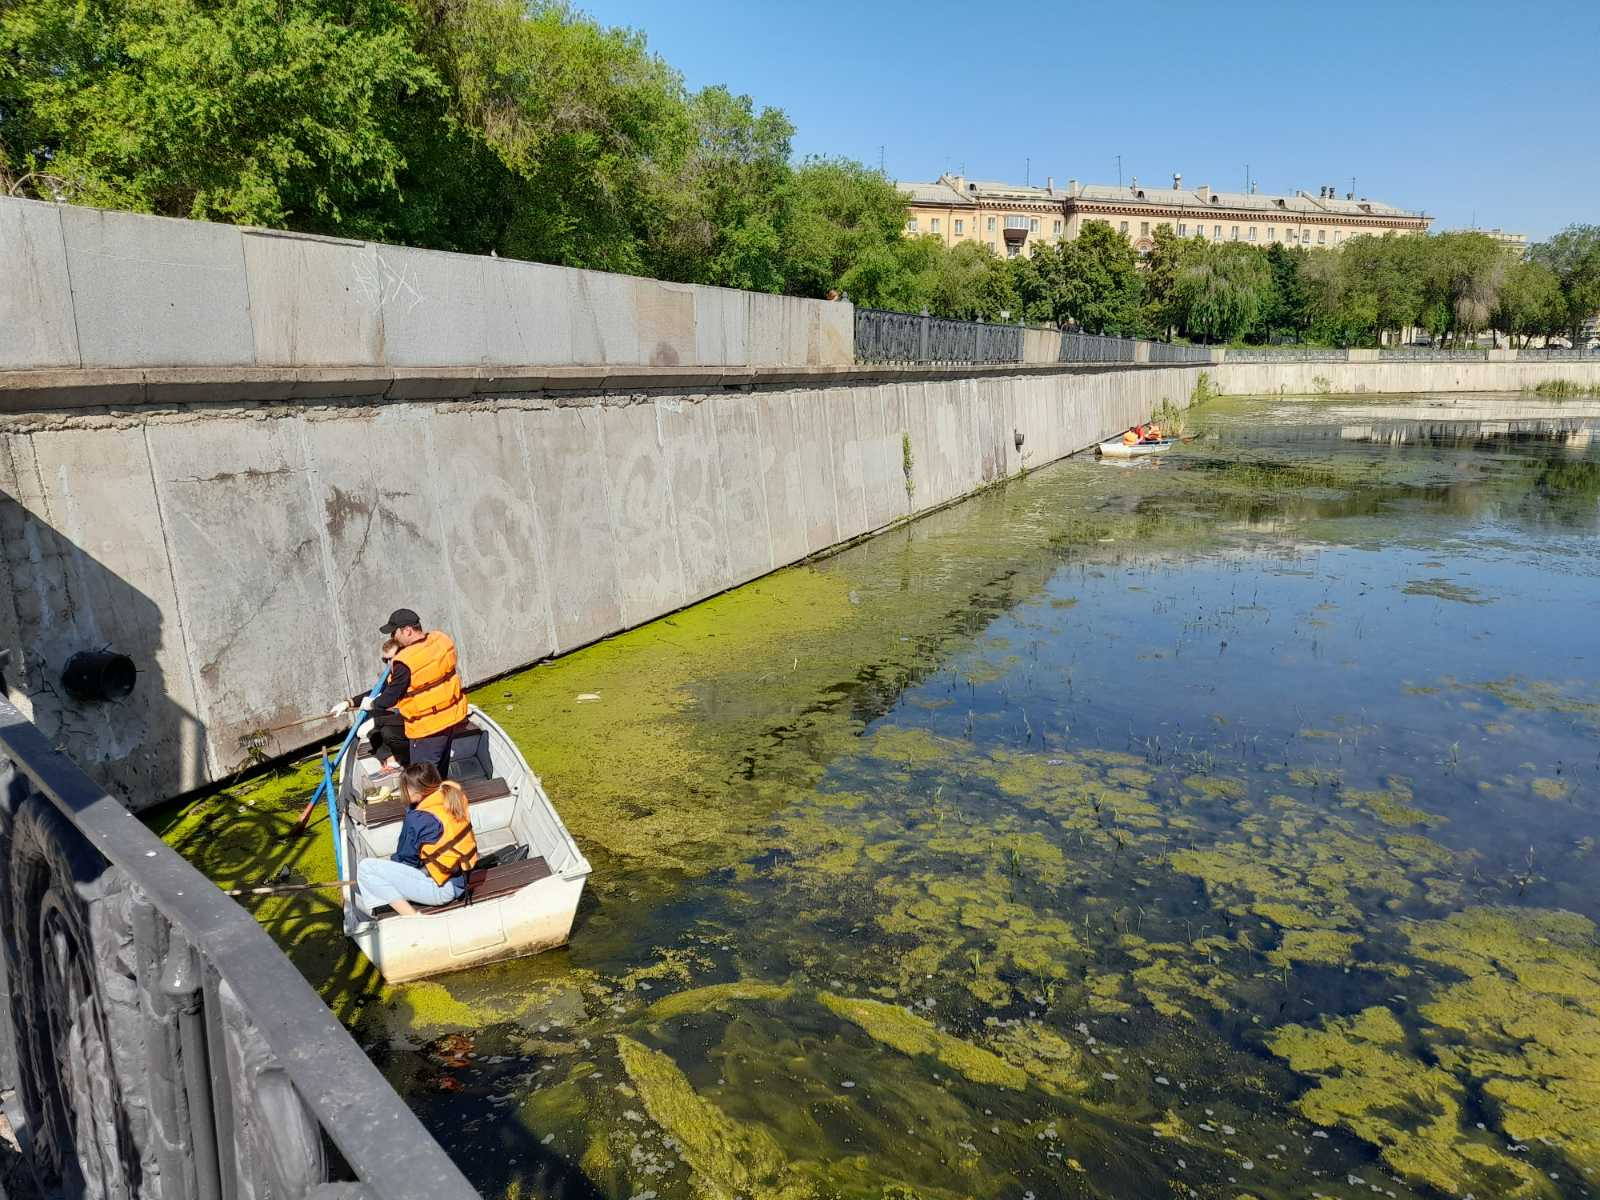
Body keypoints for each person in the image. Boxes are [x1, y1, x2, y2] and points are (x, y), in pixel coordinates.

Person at [333, 608, 470, 772]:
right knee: (439, 771)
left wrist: (372, 704)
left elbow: (389, 695)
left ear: (407, 631)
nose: (392, 638)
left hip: (426, 728)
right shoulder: (440, 640)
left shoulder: (406, 661)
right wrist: (350, 702)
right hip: (450, 719)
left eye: (394, 633)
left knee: (423, 779)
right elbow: (397, 684)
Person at [353, 762, 478, 918]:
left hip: (441, 891)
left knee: (366, 868)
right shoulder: (452, 797)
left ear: (413, 790)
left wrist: (389, 873)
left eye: (404, 787)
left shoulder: (418, 818)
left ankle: (413, 918)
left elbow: (406, 860)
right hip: (461, 878)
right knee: (390, 871)